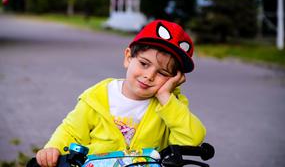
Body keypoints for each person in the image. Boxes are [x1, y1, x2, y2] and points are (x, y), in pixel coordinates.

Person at [36, 20, 206, 167]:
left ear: (174, 79)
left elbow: (191, 140)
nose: (149, 76)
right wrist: (54, 148)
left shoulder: (170, 105)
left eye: (162, 73)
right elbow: (71, 131)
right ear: (128, 57)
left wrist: (165, 96)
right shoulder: (97, 97)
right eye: (144, 64)